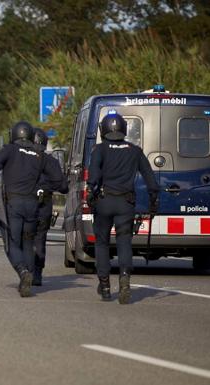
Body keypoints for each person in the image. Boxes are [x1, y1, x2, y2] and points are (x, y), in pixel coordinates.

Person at [88, 112, 159, 304]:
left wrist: (90, 191)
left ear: (103, 130)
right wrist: (153, 200)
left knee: (102, 243)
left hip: (104, 201)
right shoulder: (134, 150)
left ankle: (104, 285)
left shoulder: (99, 149)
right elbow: (150, 179)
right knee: (124, 242)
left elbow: (93, 176)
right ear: (123, 129)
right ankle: (125, 279)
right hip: (126, 203)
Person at [0, 121, 65, 297]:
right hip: (33, 205)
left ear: (14, 134)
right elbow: (60, 183)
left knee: (12, 242)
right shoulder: (41, 155)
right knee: (28, 242)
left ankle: (23, 272)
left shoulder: (9, 150)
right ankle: (30, 277)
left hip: (13, 203)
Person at [32, 128, 69, 286]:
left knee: (23, 236)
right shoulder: (50, 161)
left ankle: (25, 269)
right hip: (44, 204)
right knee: (40, 238)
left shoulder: (20, 159)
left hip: (24, 204)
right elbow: (63, 187)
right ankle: (37, 273)